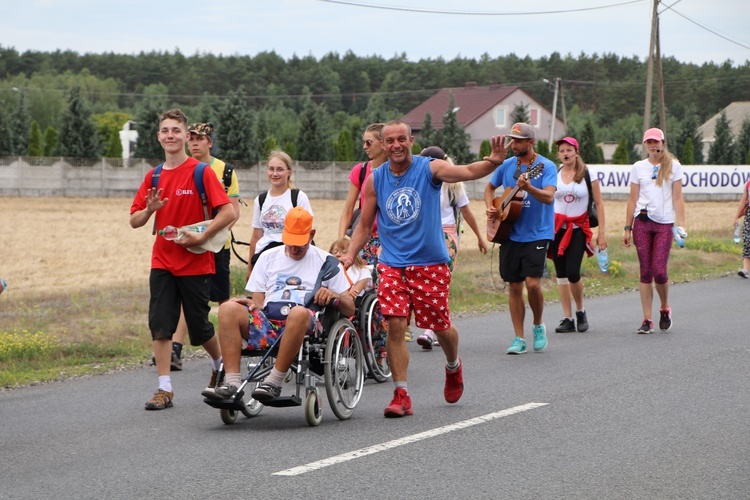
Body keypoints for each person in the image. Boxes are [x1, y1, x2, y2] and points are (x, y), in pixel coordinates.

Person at [344, 119, 508, 418]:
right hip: (392, 263)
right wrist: (349, 253)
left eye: (401, 139)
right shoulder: (375, 179)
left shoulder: (428, 168)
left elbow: (467, 172)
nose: (396, 145)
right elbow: (365, 225)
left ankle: (453, 366)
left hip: (430, 263)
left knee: (440, 326)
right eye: (390, 140)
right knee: (395, 324)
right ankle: (401, 394)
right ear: (383, 144)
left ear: (410, 141)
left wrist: (491, 162)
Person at [129, 108, 234, 410]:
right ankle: (165, 389)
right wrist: (150, 209)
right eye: (165, 131)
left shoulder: (201, 172)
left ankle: (220, 364)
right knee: (161, 324)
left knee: (200, 328)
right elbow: (134, 220)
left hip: (196, 262)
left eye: (176, 130)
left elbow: (228, 212)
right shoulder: (154, 175)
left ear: (186, 136)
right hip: (162, 260)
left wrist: (202, 236)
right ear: (159, 136)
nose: (170, 136)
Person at [210, 207, 354, 401]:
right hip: (269, 319)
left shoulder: (327, 262)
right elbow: (259, 302)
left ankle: (274, 381)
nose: (294, 248)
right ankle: (232, 382)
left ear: (311, 235)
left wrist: (333, 295)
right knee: (228, 307)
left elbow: (350, 307)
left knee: (298, 313)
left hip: (306, 321)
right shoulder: (268, 257)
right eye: (290, 242)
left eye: (300, 244)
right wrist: (252, 304)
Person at [166, 122, 241, 371]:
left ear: (210, 142)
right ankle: (175, 348)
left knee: (221, 301)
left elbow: (233, 212)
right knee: (188, 298)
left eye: (201, 139)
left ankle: (230, 349)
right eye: (192, 138)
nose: (195, 143)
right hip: (188, 245)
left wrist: (209, 237)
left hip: (217, 247)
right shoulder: (181, 168)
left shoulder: (225, 171)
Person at [484, 122, 557, 355]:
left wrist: (529, 188)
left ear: (530, 142)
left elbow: (548, 197)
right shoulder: (506, 165)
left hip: (538, 232)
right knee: (514, 286)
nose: (512, 144)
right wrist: (491, 208)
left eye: (517, 141)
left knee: (533, 284)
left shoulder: (546, 166)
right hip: (510, 232)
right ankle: (518, 338)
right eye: (512, 140)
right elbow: (489, 188)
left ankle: (537, 325)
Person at [416, 146, 488, 350]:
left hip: (446, 234)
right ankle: (438, 327)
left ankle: (432, 329)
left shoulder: (453, 185)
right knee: (424, 280)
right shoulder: (419, 182)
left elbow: (467, 212)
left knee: (441, 280)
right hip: (424, 233)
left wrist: (480, 238)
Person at [623, 127, 686, 334]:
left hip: (664, 223)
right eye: (649, 142)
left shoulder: (673, 166)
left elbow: (678, 198)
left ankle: (665, 307)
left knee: (659, 270)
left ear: (662, 143)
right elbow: (632, 199)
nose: (652, 145)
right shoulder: (638, 167)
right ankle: (647, 319)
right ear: (645, 145)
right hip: (642, 221)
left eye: (655, 142)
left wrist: (681, 224)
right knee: (645, 271)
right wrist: (627, 227)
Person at [550, 136, 607, 333]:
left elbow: (599, 204)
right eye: (562, 151)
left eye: (569, 150)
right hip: (557, 229)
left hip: (578, 228)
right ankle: (567, 318)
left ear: (576, 152)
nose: (565, 154)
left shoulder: (588, 174)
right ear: (558, 154)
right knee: (561, 274)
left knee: (573, 271)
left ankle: (580, 311)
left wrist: (602, 234)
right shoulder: (554, 173)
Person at [245, 150, 313, 281]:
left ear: (289, 172)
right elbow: (256, 236)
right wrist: (250, 268)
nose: (275, 173)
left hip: (291, 253)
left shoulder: (298, 197)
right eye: (271, 169)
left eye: (280, 169)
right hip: (265, 256)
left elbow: (307, 231)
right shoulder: (260, 200)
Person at [338, 123, 387, 266]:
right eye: (364, 142)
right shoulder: (361, 170)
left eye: (369, 142)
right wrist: (341, 241)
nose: (365, 146)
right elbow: (348, 210)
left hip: (389, 239)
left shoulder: (396, 172)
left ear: (383, 143)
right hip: (363, 237)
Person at [734, 179, 750, 278]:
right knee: (747, 240)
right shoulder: (748, 184)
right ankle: (745, 269)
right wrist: (736, 217)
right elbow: (743, 201)